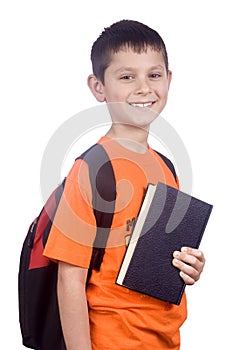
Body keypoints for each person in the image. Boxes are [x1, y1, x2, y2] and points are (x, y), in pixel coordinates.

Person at [43, 19, 205, 350]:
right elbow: (69, 279)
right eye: (127, 76)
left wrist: (189, 265)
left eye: (154, 75)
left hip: (166, 340)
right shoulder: (92, 170)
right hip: (112, 341)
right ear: (98, 86)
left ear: (169, 81)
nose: (144, 88)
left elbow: (159, 262)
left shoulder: (167, 167)